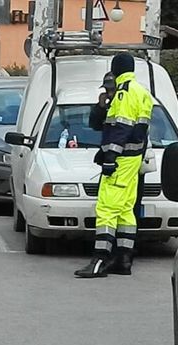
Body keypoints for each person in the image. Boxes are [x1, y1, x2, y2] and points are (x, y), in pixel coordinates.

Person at [75, 52, 153, 278]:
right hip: (133, 160)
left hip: (120, 160)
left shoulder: (124, 93)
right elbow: (137, 129)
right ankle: (124, 259)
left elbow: (119, 128)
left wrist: (109, 156)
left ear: (116, 69)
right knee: (127, 210)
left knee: (106, 209)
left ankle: (99, 261)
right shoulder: (141, 92)